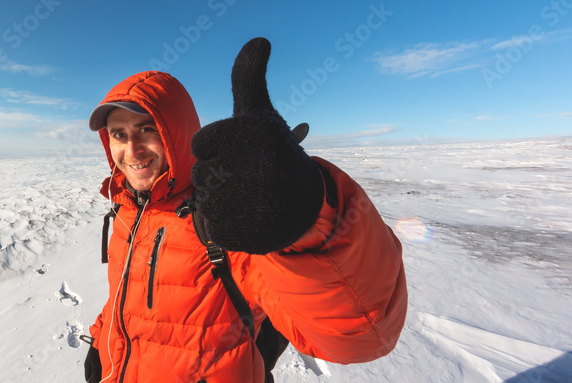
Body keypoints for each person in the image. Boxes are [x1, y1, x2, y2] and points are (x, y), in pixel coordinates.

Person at [83, 38, 407, 382]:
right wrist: (101, 341)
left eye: (146, 129)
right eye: (119, 134)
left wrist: (309, 221)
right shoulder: (127, 210)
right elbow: (124, 295)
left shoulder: (225, 218)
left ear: (176, 132)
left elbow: (359, 338)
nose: (131, 150)